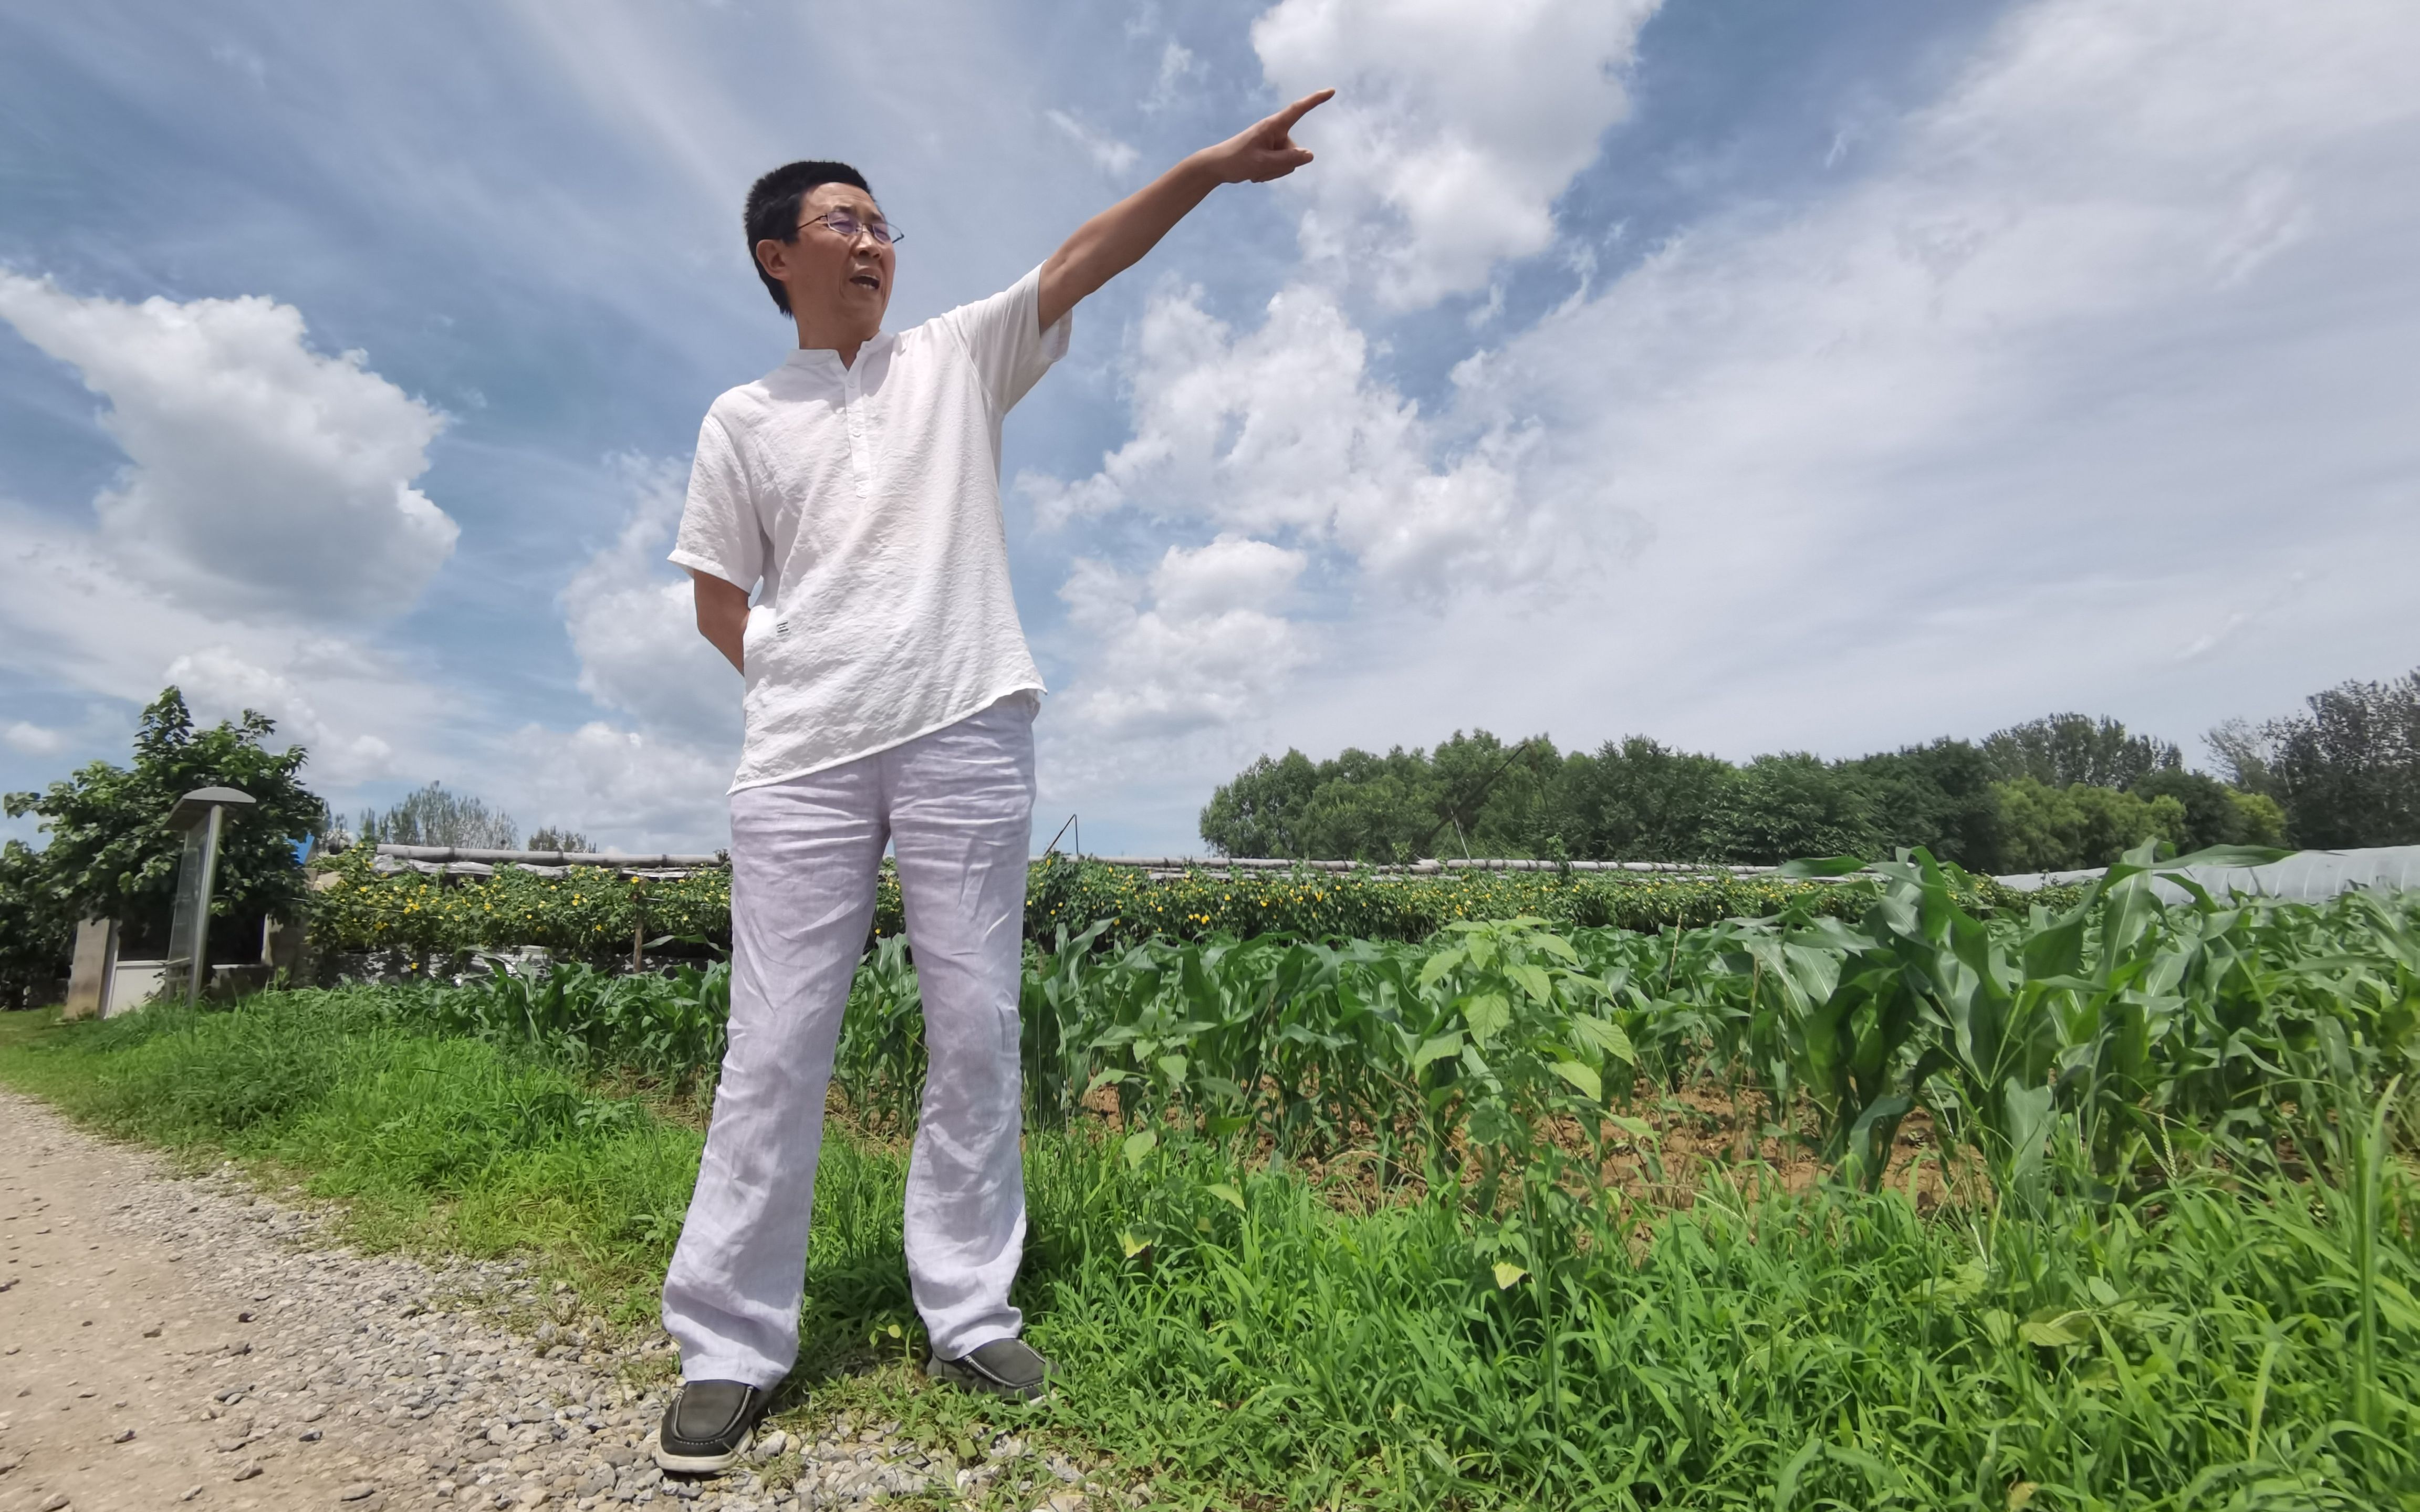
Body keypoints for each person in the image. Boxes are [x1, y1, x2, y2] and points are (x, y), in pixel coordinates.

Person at [651, 89, 1334, 1473]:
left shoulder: (953, 359)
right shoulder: (744, 418)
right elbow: (719, 601)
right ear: (777, 253)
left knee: (976, 1030)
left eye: (886, 225)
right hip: (799, 764)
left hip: (967, 727)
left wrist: (1203, 172)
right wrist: (798, 676)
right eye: (845, 222)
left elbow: (1083, 257)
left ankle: (967, 1309)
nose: (876, 243)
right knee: (775, 1042)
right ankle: (730, 1342)